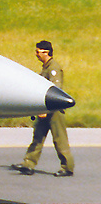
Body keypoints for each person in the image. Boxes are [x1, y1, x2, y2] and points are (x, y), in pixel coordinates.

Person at [13, 41, 74, 176]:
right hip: (44, 110)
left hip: (53, 111)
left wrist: (45, 110)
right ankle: (28, 164)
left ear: (46, 52)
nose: (36, 54)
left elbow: (55, 90)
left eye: (38, 51)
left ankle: (67, 167)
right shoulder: (46, 67)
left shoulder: (53, 68)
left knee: (59, 139)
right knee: (38, 137)